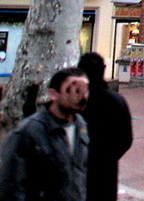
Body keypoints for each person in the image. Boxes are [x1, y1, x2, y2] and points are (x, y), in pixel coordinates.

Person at [0, 66, 91, 201]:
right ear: (54, 94)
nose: (80, 97)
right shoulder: (28, 131)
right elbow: (10, 183)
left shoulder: (81, 126)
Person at [76, 53, 133, 201]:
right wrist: (108, 159)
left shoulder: (73, 101)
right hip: (105, 173)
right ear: (104, 69)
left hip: (77, 173)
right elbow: (126, 140)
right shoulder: (116, 101)